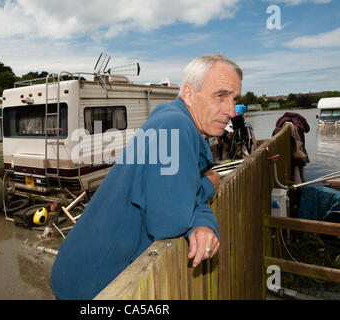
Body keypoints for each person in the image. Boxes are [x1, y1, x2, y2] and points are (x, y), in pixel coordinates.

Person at [50, 54, 242, 300]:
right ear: (189, 94)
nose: (231, 111)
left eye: (234, 99)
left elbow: (185, 191)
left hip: (79, 270)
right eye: (221, 95)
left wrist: (204, 220)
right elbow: (170, 222)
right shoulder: (175, 126)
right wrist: (209, 186)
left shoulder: (175, 120)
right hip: (91, 285)